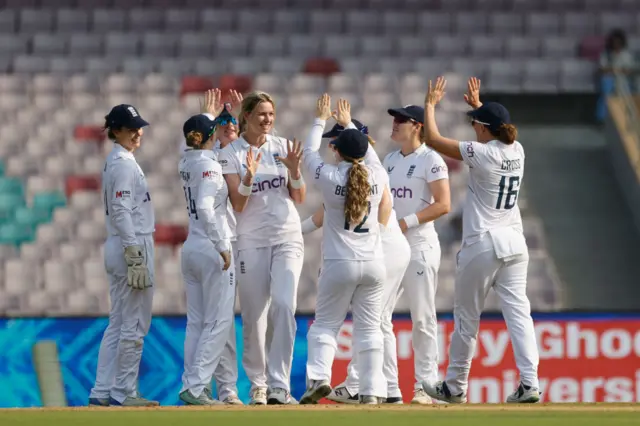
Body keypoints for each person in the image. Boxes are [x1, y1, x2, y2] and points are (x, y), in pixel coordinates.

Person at [421, 77, 540, 404]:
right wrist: (479, 106)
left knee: (467, 319)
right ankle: (530, 383)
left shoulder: (482, 153)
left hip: (484, 244)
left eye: (476, 124)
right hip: (515, 244)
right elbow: (494, 127)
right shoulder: (518, 148)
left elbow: (431, 138)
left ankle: (455, 386)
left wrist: (430, 103)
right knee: (519, 316)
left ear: (486, 130)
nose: (474, 128)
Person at [302, 117, 411, 405]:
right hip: (374, 264)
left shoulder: (329, 177)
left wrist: (319, 119)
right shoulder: (377, 175)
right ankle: (372, 390)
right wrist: (349, 122)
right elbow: (369, 156)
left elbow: (309, 154)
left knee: (325, 325)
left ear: (336, 150)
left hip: (340, 262)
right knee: (370, 329)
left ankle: (319, 379)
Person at [219, 90, 306, 405]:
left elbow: (299, 198)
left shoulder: (282, 146)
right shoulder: (230, 153)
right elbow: (238, 204)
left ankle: (279, 384)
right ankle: (258, 384)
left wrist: (295, 172)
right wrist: (249, 176)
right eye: (261, 115)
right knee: (255, 317)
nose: (268, 120)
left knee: (284, 305)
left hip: (287, 236)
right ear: (246, 117)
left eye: (271, 114)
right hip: (251, 241)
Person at [89, 104, 158, 407]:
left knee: (117, 322)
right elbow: (120, 210)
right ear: (115, 130)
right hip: (131, 242)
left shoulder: (117, 161)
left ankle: (102, 391)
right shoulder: (123, 164)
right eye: (131, 128)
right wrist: (134, 253)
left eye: (138, 127)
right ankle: (125, 391)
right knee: (134, 323)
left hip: (119, 242)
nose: (137, 133)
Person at [382, 104, 451, 404]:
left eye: (400, 120)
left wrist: (404, 223)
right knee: (379, 315)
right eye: (394, 120)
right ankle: (388, 387)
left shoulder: (431, 160)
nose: (394, 124)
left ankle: (426, 387)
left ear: (417, 126)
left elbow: (443, 204)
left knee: (422, 317)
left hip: (420, 245)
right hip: (392, 247)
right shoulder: (389, 160)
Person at [178, 113, 235, 405]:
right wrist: (222, 244)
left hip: (191, 247)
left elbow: (192, 147)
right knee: (219, 320)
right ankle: (198, 386)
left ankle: (193, 383)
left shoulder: (186, 162)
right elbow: (205, 206)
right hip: (212, 249)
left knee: (196, 322)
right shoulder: (211, 167)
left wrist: (208, 117)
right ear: (210, 136)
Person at [197, 89, 244, 406]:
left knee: (236, 318)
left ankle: (259, 385)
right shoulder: (207, 158)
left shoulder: (246, 154)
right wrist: (209, 118)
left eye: (233, 122)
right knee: (217, 319)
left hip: (246, 242)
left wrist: (241, 117)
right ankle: (223, 388)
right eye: (222, 122)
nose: (228, 126)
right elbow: (189, 154)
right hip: (218, 242)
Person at [597, 29, 635, 123]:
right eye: (614, 42)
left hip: (623, 79)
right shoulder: (606, 54)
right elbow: (603, 69)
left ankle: (625, 118)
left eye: (618, 42)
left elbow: (628, 70)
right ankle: (602, 119)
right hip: (608, 79)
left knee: (625, 89)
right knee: (606, 90)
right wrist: (616, 70)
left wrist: (616, 70)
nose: (616, 44)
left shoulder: (626, 55)